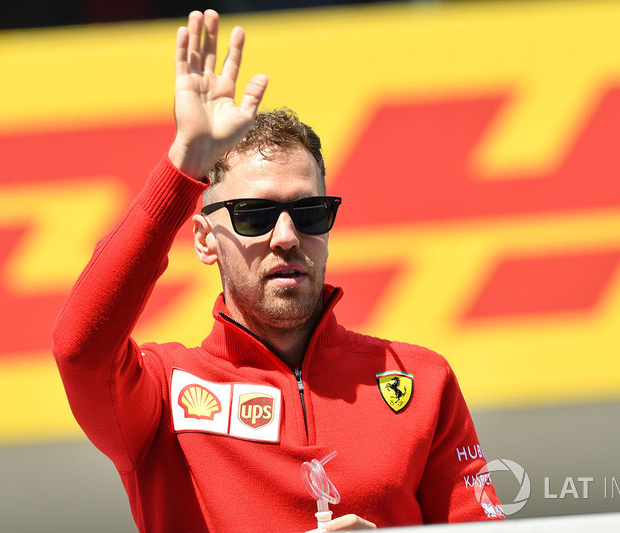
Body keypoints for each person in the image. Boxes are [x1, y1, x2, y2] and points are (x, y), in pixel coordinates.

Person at [51, 9, 502, 533]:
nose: (286, 236)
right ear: (204, 240)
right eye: (254, 215)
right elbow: (79, 349)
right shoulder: (164, 393)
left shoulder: (422, 380)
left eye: (308, 213)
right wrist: (184, 164)